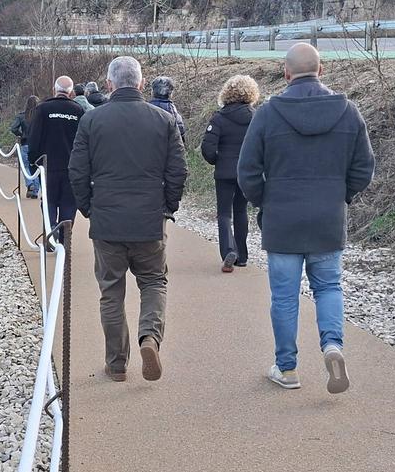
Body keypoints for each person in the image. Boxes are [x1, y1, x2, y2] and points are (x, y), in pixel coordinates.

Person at [237, 43, 375, 394]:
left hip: (282, 220)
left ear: (286, 73)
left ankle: (287, 369)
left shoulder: (267, 114)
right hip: (327, 218)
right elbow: (364, 168)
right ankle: (332, 345)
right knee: (328, 287)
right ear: (321, 70)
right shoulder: (348, 112)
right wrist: (339, 196)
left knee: (284, 297)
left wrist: (265, 201)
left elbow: (247, 171)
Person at [69, 56, 187, 383]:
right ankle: (149, 337)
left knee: (111, 291)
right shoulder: (163, 120)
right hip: (149, 219)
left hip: (107, 219)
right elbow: (178, 170)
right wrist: (167, 207)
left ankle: (117, 363)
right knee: (153, 281)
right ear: (141, 83)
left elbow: (77, 171)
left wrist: (89, 208)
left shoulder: (91, 121)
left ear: (109, 84)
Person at [200, 75, 260, 273]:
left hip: (224, 173)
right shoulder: (256, 117)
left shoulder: (219, 118)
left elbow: (208, 148)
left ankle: (228, 251)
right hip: (246, 172)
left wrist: (218, 161)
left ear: (226, 93)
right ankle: (242, 256)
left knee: (224, 213)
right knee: (241, 211)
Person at [28, 76, 85, 243]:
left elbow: (33, 139)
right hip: (71, 167)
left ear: (54, 90)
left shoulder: (42, 109)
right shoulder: (78, 111)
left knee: (49, 201)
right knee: (69, 203)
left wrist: (33, 164)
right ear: (71, 92)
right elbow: (83, 140)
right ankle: (65, 239)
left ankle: (50, 233)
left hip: (48, 166)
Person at [10, 95, 42, 198]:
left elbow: (13, 128)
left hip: (26, 143)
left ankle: (30, 184)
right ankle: (35, 191)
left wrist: (21, 135)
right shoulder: (41, 116)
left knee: (26, 166)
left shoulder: (22, 116)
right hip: (38, 145)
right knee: (37, 167)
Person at [148, 76, 186, 141]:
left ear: (152, 92)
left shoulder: (145, 109)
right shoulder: (174, 113)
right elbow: (180, 136)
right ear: (171, 93)